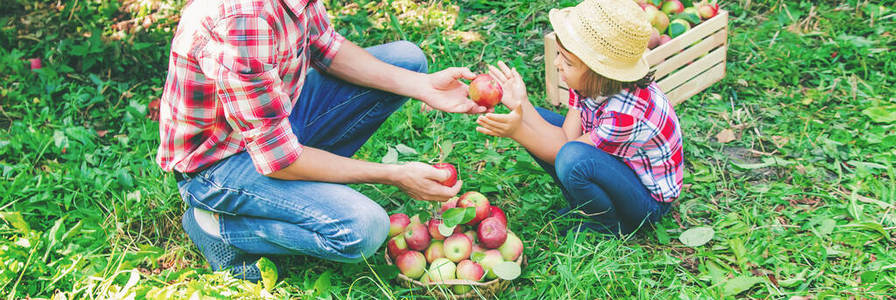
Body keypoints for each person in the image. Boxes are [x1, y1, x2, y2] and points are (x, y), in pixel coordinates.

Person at [156, 0, 489, 282]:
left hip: (272, 124)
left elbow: (328, 48)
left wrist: (423, 86)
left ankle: (307, 190)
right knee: (364, 229)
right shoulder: (244, 22)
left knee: (406, 60)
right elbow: (280, 160)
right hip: (219, 167)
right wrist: (395, 174)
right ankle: (217, 226)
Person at [475, 0, 683, 237]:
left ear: (599, 73)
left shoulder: (625, 114)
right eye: (561, 56)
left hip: (647, 201)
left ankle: (606, 224)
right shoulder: (591, 83)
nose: (557, 64)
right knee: (535, 123)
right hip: (619, 169)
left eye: (567, 62)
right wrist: (522, 104)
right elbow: (566, 137)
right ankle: (583, 206)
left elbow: (565, 151)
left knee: (572, 159)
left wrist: (517, 131)